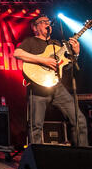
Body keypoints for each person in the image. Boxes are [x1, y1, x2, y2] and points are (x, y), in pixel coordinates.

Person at [13, 14, 88, 146]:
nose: (47, 23)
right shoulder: (30, 41)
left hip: (57, 87)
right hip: (37, 88)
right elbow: (17, 53)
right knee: (35, 126)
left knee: (79, 119)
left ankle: (82, 155)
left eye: (48, 21)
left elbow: (67, 67)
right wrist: (44, 60)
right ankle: (36, 159)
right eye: (43, 22)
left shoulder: (57, 44)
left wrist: (76, 53)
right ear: (35, 27)